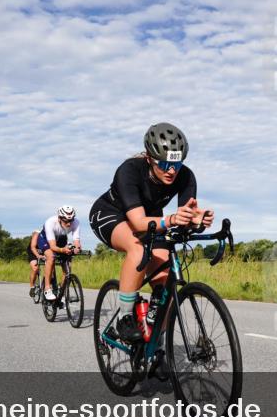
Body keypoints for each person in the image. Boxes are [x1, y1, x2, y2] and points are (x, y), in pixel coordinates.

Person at [88, 122, 213, 342]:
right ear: (149, 157)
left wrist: (196, 221)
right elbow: (137, 223)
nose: (172, 171)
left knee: (165, 283)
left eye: (177, 164)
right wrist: (172, 219)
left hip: (151, 218)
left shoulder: (185, 176)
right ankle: (124, 319)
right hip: (111, 214)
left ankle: (157, 346)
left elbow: (183, 219)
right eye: (164, 164)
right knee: (138, 251)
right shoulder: (129, 170)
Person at [37, 205, 82, 301]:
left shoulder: (76, 222)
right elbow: (53, 246)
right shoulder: (50, 222)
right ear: (59, 218)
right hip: (45, 239)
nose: (69, 224)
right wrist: (63, 250)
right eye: (66, 221)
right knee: (51, 257)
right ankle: (47, 288)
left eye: (71, 221)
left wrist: (76, 249)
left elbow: (76, 240)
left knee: (67, 267)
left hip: (61, 238)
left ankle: (61, 292)